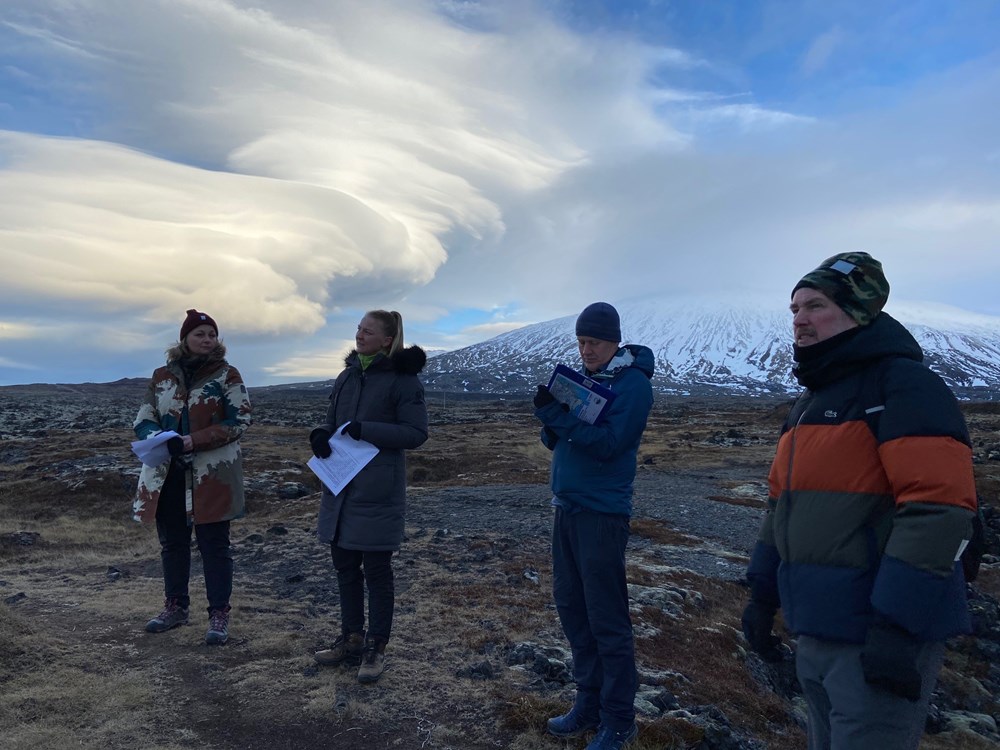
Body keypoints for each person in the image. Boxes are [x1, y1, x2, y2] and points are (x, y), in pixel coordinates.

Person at [741, 253, 979, 750]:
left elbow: (938, 509)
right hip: (817, 625)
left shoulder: (903, 387)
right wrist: (762, 596)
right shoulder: (810, 402)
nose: (799, 319)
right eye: (794, 308)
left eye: (815, 305)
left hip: (876, 634)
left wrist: (896, 626)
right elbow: (781, 506)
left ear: (859, 313)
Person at [533, 302, 654, 750]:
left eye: (595, 343)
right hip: (566, 508)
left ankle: (620, 718)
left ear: (614, 341)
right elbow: (558, 439)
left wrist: (558, 418)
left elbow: (608, 445)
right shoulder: (585, 381)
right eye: (581, 342)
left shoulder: (633, 385)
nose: (586, 350)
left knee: (606, 616)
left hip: (602, 515)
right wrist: (551, 412)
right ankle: (588, 704)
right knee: (573, 608)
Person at [310, 310, 428, 683]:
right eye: (359, 329)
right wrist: (320, 435)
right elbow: (333, 420)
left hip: (377, 490)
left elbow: (415, 432)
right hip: (341, 486)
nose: (359, 335)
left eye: (368, 331)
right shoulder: (347, 376)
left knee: (376, 572)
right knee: (344, 566)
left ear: (387, 340)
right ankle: (352, 637)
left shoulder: (403, 380)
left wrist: (366, 431)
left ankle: (376, 646)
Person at [133, 309, 252, 645]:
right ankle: (176, 607)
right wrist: (157, 436)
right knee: (173, 543)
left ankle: (218, 614)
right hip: (167, 473)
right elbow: (144, 417)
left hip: (212, 476)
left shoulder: (227, 374)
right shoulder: (162, 376)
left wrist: (193, 440)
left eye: (211, 334)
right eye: (199, 334)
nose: (206, 340)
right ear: (184, 338)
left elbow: (240, 420)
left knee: (215, 545)